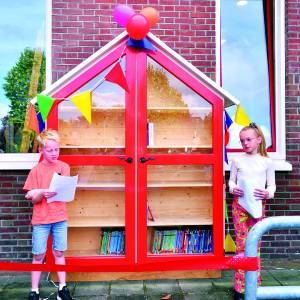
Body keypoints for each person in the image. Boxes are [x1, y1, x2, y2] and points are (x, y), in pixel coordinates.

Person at [24, 129, 74, 300]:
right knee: (38, 255)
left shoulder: (63, 167)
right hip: (41, 219)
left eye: (56, 149)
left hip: (59, 217)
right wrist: (41, 193)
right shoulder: (36, 170)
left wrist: (60, 190)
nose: (54, 153)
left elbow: (66, 193)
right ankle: (34, 290)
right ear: (41, 150)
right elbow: (32, 199)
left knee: (59, 253)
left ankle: (62, 288)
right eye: (50, 150)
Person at [228, 123, 276, 300]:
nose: (245, 143)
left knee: (255, 246)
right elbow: (231, 182)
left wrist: (268, 193)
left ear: (259, 140)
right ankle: (240, 288)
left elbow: (271, 185)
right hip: (239, 206)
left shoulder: (267, 162)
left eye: (248, 139)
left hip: (257, 207)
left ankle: (254, 284)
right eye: (242, 141)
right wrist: (233, 189)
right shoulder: (237, 160)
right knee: (241, 245)